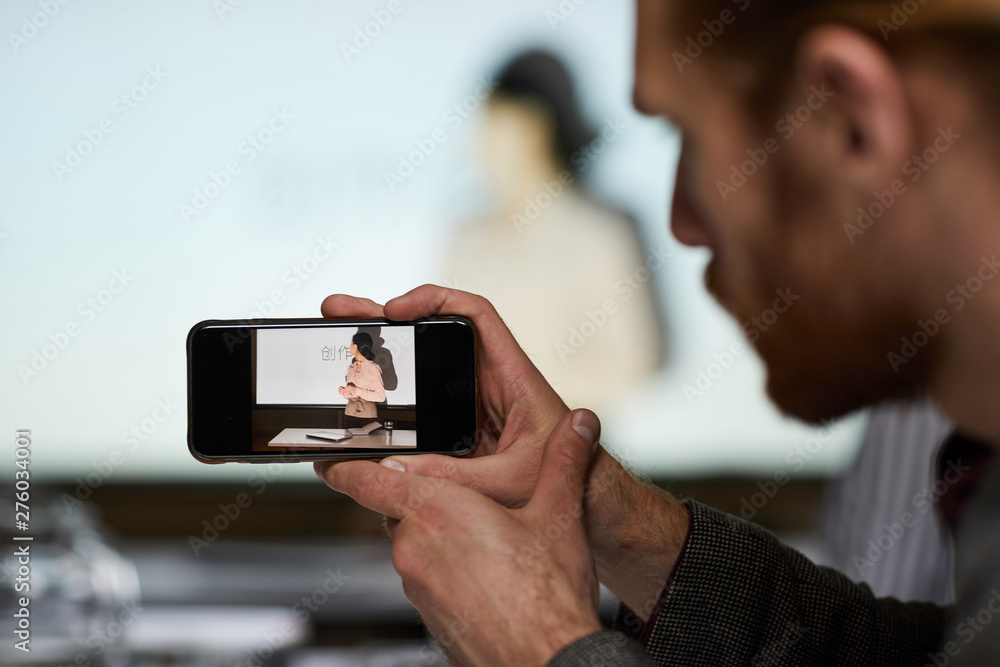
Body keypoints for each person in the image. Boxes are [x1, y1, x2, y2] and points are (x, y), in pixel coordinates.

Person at [315, 0, 1000, 664]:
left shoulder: (599, 230)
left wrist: (544, 649)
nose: (680, 223)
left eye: (685, 132)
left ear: (853, 119)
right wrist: (620, 519)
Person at [444, 50, 667, 411]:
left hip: (572, 447)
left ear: (535, 126)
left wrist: (520, 395)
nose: (481, 136)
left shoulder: (604, 231)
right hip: (479, 451)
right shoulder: (465, 238)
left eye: (495, 119)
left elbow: (638, 358)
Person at [338, 332, 385, 428]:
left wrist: (356, 390)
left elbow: (381, 396)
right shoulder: (350, 367)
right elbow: (352, 394)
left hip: (367, 417)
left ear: (356, 346)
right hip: (349, 414)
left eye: (351, 344)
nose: (350, 346)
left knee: (365, 443)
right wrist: (345, 392)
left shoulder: (372, 367)